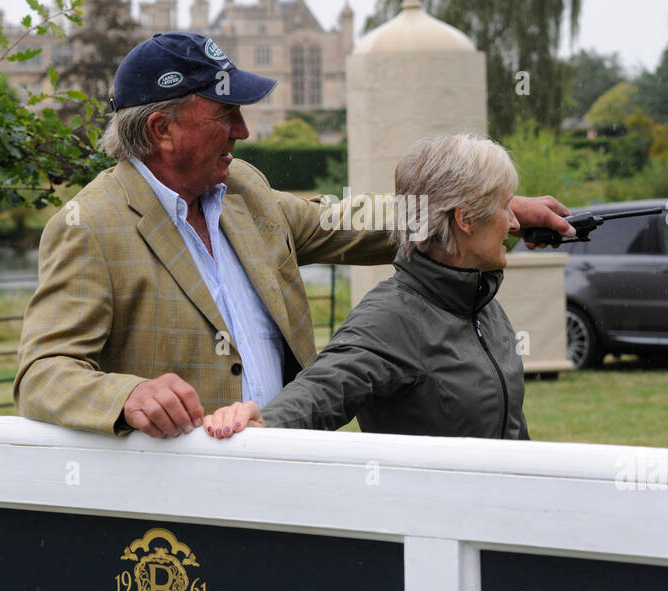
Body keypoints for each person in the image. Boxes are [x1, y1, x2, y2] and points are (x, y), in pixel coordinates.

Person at [14, 33, 571, 437]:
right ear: (162, 130)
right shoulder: (90, 226)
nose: (244, 130)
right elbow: (43, 374)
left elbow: (346, 222)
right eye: (226, 113)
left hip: (285, 469)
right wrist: (128, 395)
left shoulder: (243, 191)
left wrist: (488, 205)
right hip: (181, 492)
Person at [204, 133, 529, 439]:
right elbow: (322, 390)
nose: (515, 222)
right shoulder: (391, 319)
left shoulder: (481, 300)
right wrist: (265, 422)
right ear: (466, 219)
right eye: (506, 206)